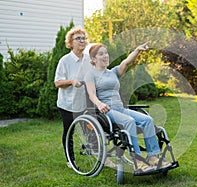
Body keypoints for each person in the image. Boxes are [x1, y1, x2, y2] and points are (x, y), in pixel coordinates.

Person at [85, 42, 171, 172]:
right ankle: (137, 160)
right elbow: (91, 94)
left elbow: (126, 62)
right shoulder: (90, 75)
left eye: (106, 53)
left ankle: (153, 156)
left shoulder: (113, 72)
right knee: (129, 121)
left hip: (120, 108)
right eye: (101, 54)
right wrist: (100, 104)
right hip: (107, 111)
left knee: (148, 120)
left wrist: (137, 50)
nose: (105, 56)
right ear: (93, 59)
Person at [54, 27, 92, 168]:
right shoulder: (65, 61)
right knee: (69, 131)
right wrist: (71, 81)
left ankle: (91, 151)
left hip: (84, 102)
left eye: (84, 38)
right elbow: (57, 82)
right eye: (78, 38)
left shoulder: (88, 59)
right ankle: (70, 160)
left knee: (89, 129)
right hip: (67, 103)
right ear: (70, 42)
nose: (82, 41)